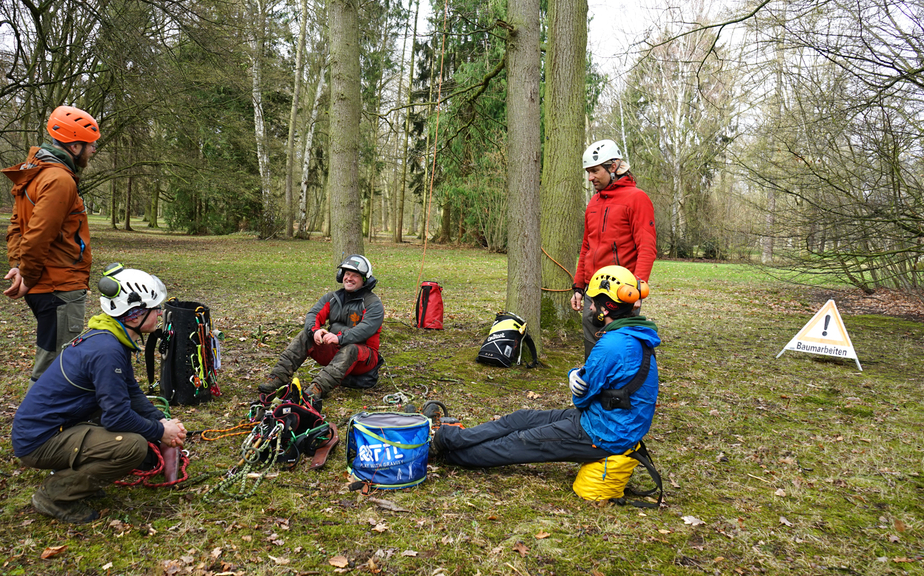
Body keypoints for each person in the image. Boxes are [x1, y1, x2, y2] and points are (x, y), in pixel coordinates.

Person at [430, 265, 659, 470]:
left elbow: (581, 398)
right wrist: (577, 375)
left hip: (605, 434)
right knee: (520, 419)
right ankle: (448, 437)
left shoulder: (613, 344)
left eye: (593, 303)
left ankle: (445, 453)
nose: (589, 309)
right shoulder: (634, 334)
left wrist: (575, 378)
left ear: (605, 308)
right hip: (602, 419)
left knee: (516, 443)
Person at [11, 264, 187, 524]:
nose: (160, 313)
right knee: (132, 447)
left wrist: (160, 420)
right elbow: (117, 418)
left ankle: (79, 480)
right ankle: (54, 495)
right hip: (38, 442)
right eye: (156, 308)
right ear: (135, 314)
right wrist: (161, 433)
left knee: (137, 433)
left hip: (52, 431)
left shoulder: (109, 336)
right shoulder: (107, 350)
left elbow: (131, 392)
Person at [2, 105, 101, 382]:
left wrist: (20, 266)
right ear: (75, 145)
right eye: (91, 144)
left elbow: (17, 226)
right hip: (59, 286)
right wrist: (28, 275)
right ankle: (39, 423)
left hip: (48, 284)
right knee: (56, 367)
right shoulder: (59, 179)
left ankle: (46, 421)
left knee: (52, 355)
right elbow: (38, 233)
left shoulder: (36, 172)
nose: (94, 150)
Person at [571, 139, 657, 359]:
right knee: (593, 351)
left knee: (620, 350)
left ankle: (621, 392)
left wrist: (638, 288)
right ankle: (592, 388)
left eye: (594, 171)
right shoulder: (593, 202)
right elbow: (586, 247)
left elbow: (647, 247)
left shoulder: (637, 198)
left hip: (621, 292)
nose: (590, 177)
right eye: (588, 172)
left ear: (613, 167)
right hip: (592, 291)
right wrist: (579, 287)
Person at [260, 254, 384, 400]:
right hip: (335, 351)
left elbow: (366, 329)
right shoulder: (331, 298)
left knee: (351, 349)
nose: (349, 278)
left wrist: (339, 338)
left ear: (365, 280)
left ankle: (317, 388)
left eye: (355, 275)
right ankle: (278, 376)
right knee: (305, 335)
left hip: (364, 358)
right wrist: (315, 331)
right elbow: (313, 315)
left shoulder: (373, 304)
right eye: (347, 274)